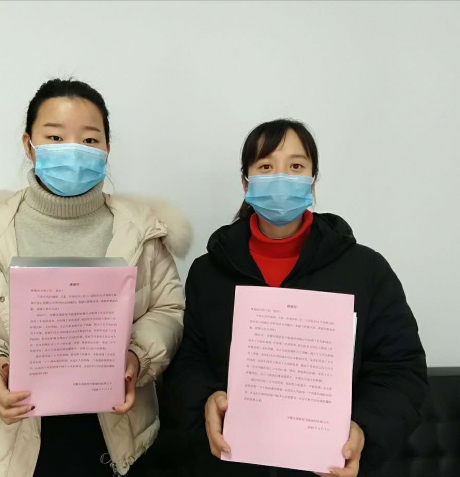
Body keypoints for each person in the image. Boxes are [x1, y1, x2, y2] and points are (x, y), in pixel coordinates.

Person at [0, 79, 191, 477]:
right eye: (55, 137)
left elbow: (167, 310)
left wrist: (136, 356)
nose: (73, 150)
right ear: (29, 145)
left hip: (117, 431)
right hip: (11, 441)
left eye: (89, 140)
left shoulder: (142, 231)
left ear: (107, 149)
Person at [163, 119, 428, 477]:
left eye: (296, 166)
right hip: (231, 463)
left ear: (312, 179)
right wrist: (204, 401)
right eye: (266, 166)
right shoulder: (209, 272)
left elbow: (400, 370)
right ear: (246, 182)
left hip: (325, 466)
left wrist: (364, 429)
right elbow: (188, 361)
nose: (281, 178)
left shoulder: (366, 270)